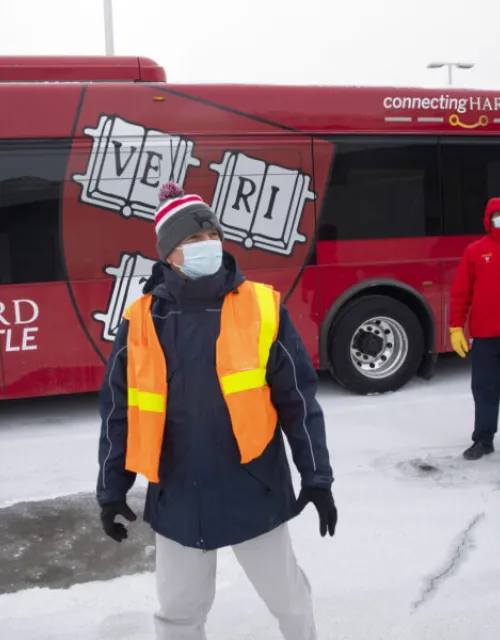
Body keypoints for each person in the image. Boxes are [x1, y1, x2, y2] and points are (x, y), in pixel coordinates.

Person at [96, 182, 337, 640]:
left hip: (253, 484)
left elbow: (298, 401)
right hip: (177, 494)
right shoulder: (141, 320)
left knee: (288, 600)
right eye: (190, 240)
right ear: (168, 253)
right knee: (178, 615)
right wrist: (111, 490)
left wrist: (316, 476)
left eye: (211, 236)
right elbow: (118, 413)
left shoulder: (262, 306)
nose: (205, 246)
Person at [449, 197, 500, 461]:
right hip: (486, 337)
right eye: (496, 216)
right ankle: (483, 440)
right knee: (484, 389)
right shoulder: (476, 251)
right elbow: (461, 293)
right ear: (488, 219)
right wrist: (456, 327)